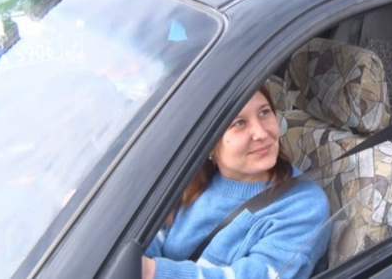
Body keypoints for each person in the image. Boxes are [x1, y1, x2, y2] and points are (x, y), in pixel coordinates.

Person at [142, 85, 331, 278]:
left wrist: (151, 272)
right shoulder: (191, 183)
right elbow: (151, 238)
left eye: (264, 112)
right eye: (239, 123)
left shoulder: (303, 206)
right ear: (207, 144)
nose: (261, 133)